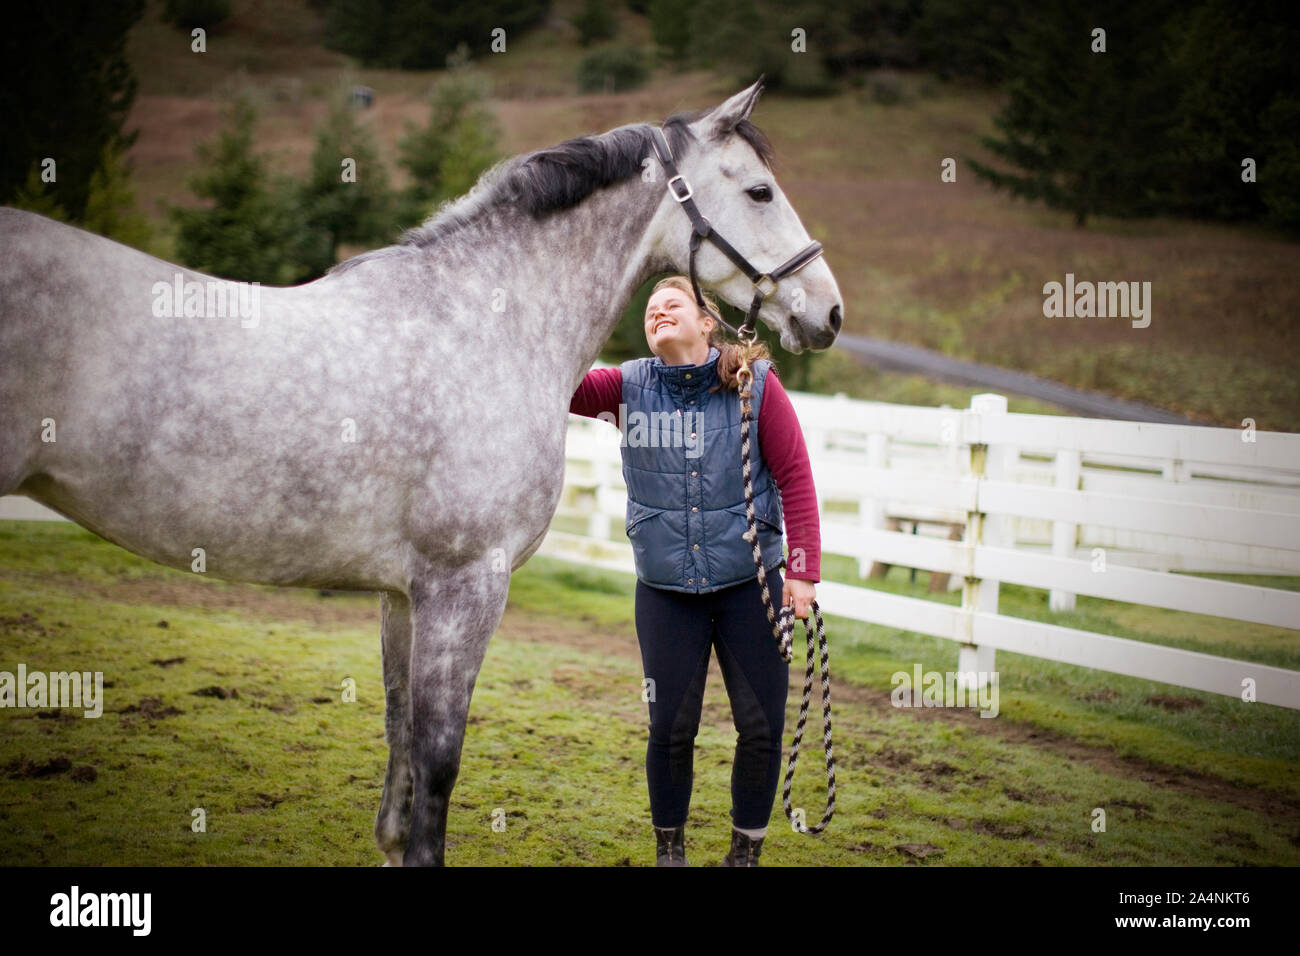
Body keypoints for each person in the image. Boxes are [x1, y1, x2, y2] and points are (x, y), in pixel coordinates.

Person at [569, 275, 822, 867]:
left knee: (760, 729)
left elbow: (796, 477)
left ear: (707, 321)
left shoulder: (754, 386)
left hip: (750, 587)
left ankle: (745, 854)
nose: (657, 313)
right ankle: (670, 853)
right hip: (664, 594)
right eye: (650, 310)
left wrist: (803, 571)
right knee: (670, 730)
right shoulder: (624, 387)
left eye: (672, 305)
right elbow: (556, 380)